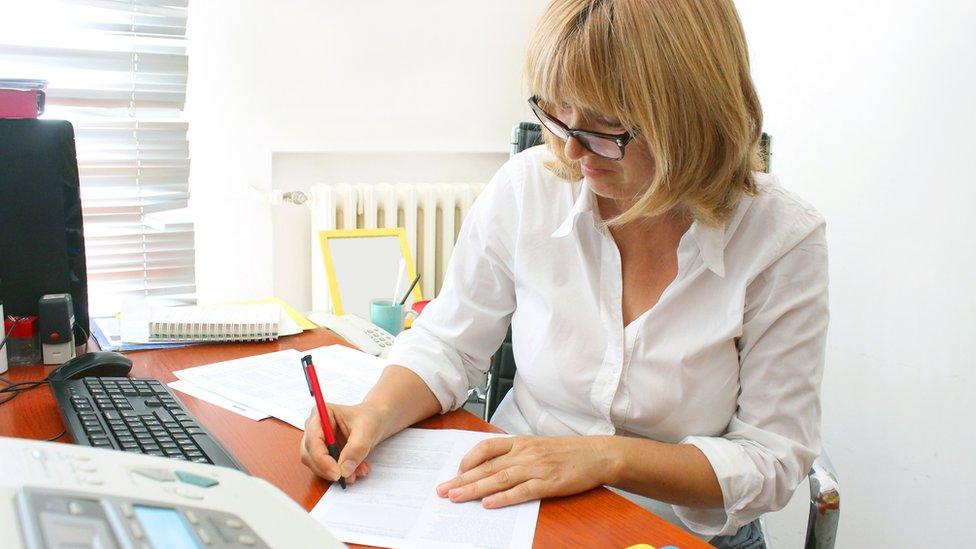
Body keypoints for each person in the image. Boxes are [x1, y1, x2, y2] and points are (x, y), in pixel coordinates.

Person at [301, 1, 828, 546]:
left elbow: (770, 461)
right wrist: (373, 414)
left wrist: (605, 459)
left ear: (689, 116)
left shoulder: (782, 238)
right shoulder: (528, 188)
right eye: (557, 113)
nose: (571, 149)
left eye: (604, 125)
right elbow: (449, 345)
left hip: (675, 531)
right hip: (512, 512)